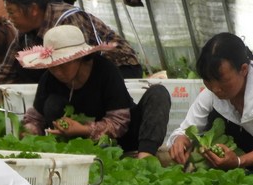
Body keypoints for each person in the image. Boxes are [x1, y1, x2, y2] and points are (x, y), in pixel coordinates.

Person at [18, 25, 171, 158]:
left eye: (63, 65)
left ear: (79, 58)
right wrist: (29, 132)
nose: (57, 71)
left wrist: (83, 129)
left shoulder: (105, 71)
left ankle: (145, 158)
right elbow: (35, 118)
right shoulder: (49, 78)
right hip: (78, 147)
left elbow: (119, 122)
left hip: (125, 139)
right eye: (52, 65)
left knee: (158, 93)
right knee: (53, 103)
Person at [0, 0, 142, 108]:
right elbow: (5, 74)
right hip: (77, 74)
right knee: (23, 65)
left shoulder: (65, 20)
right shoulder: (24, 33)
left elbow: (87, 63)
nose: (9, 18)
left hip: (119, 68)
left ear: (33, 9)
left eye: (12, 12)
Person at [168, 32, 253, 172]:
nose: (215, 89)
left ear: (243, 69)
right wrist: (179, 140)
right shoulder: (210, 94)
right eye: (208, 81)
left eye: (222, 80)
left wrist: (239, 161)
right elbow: (185, 129)